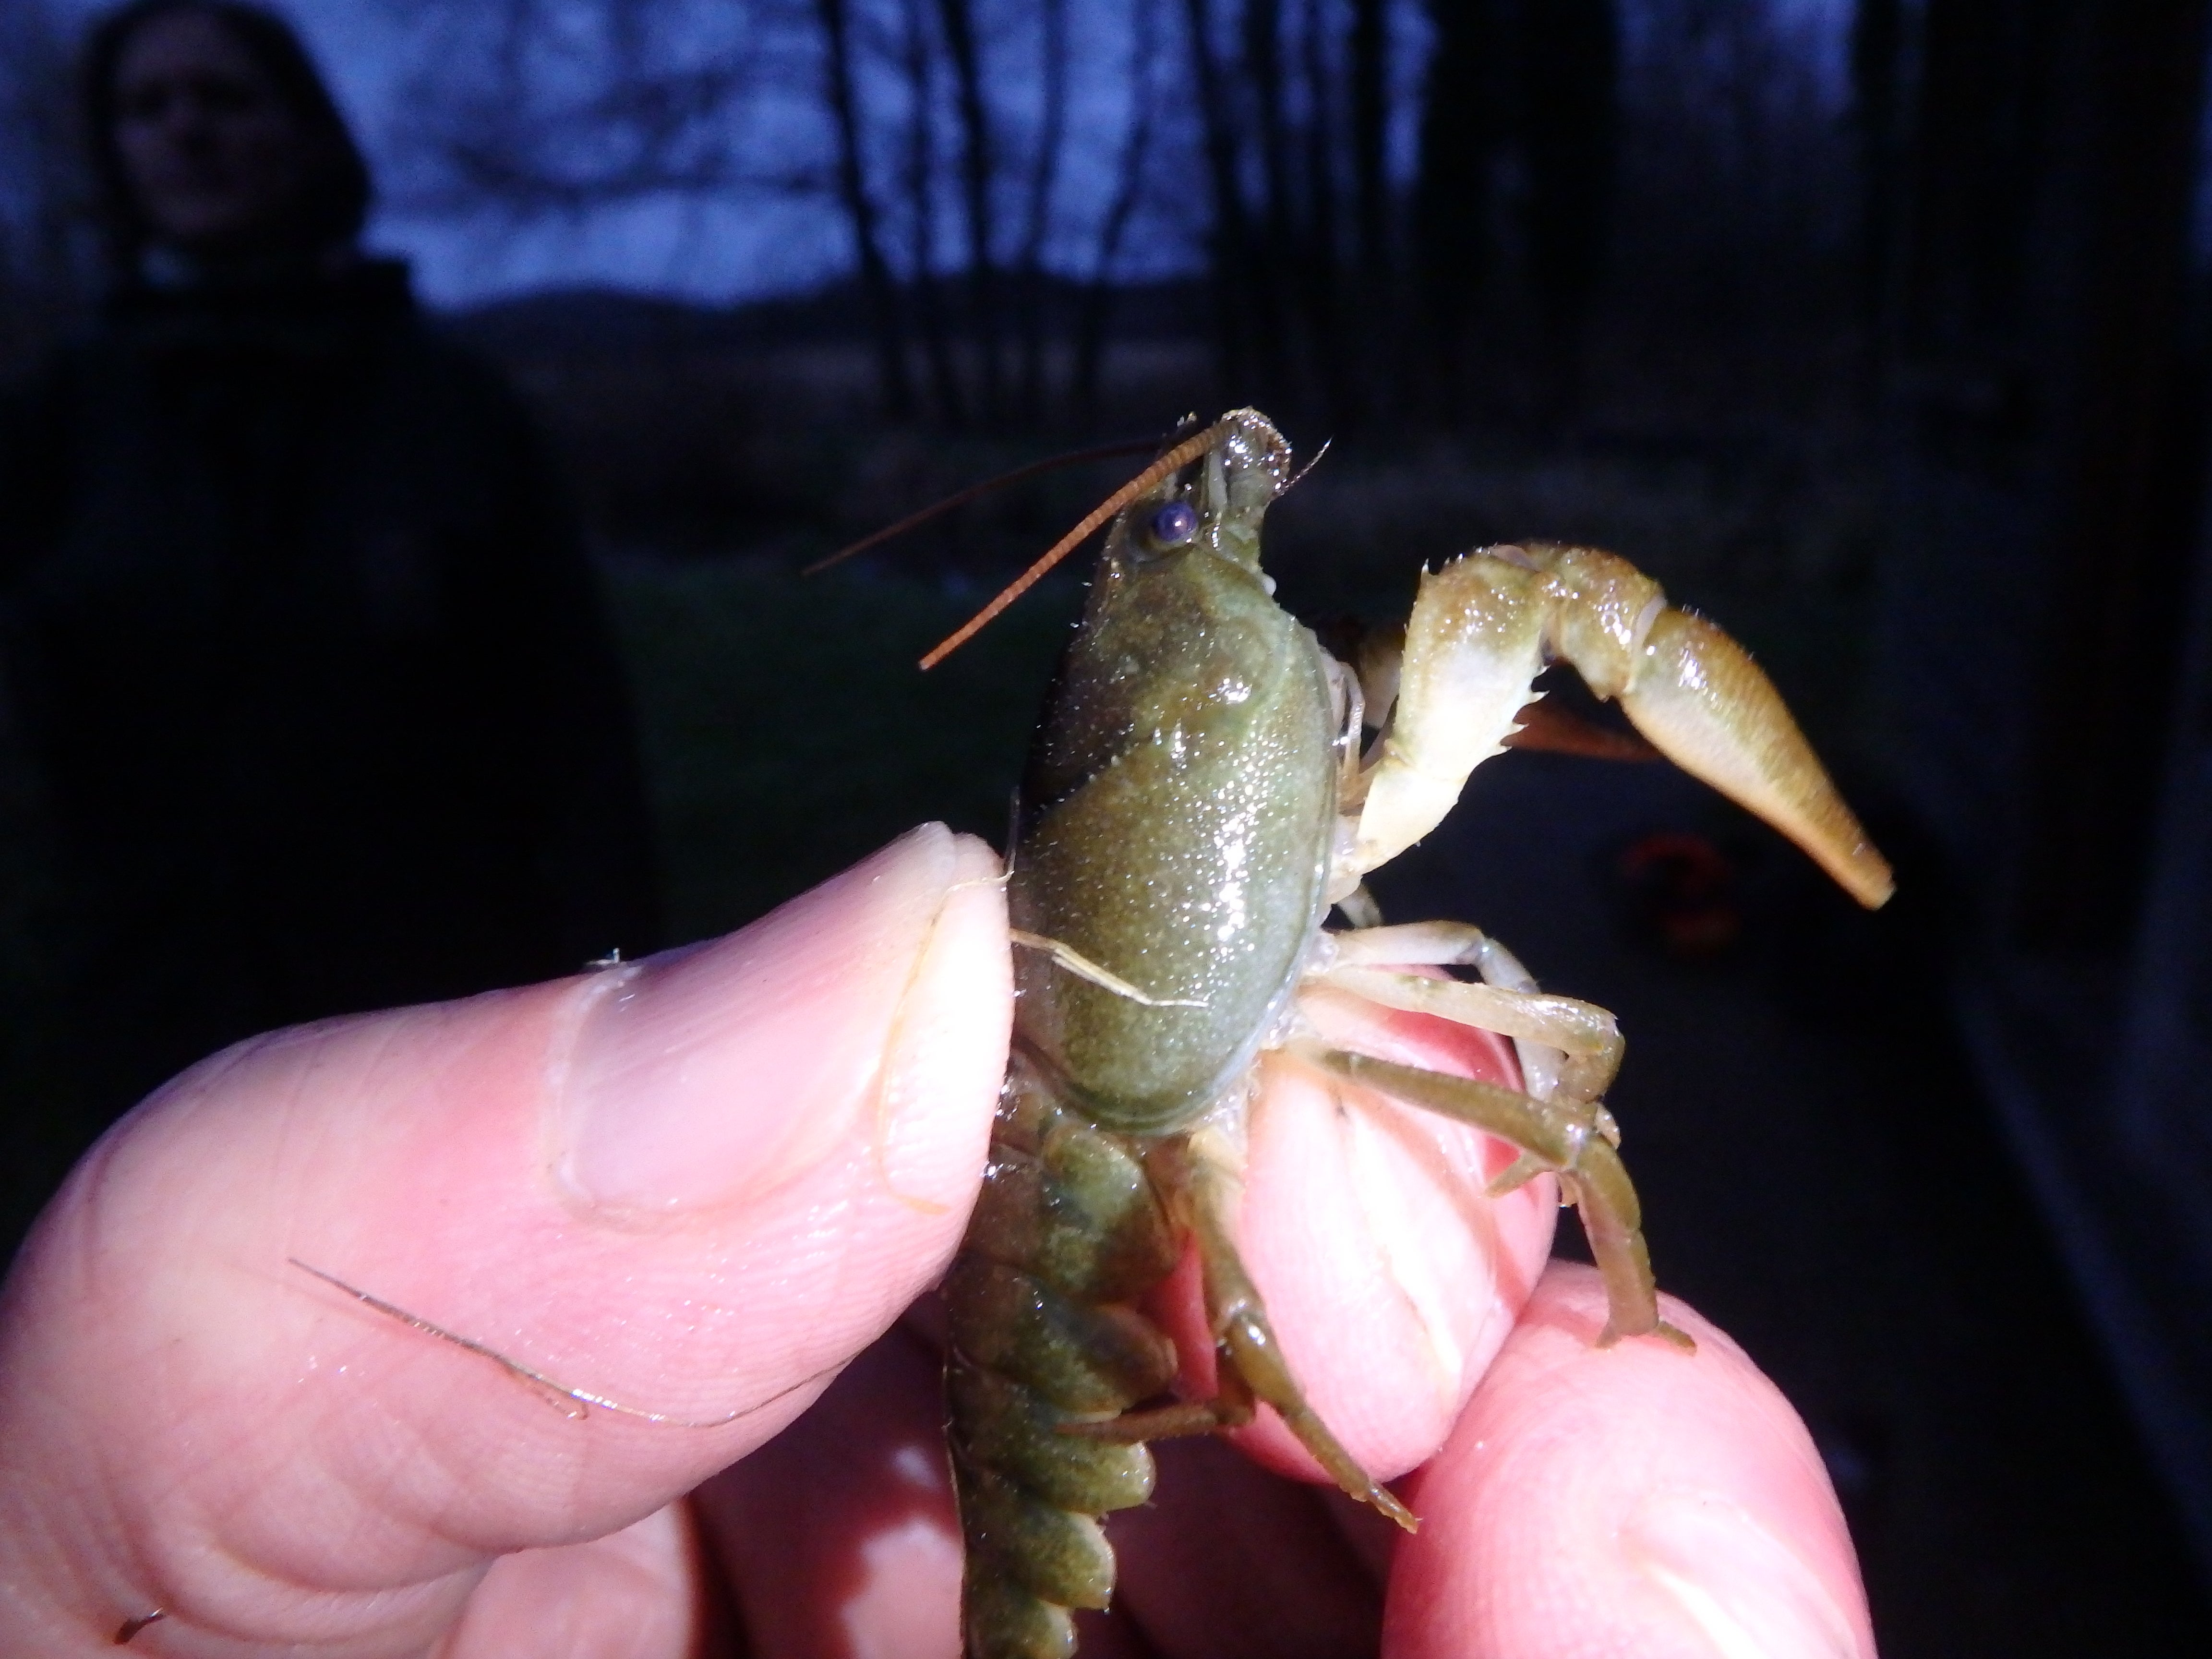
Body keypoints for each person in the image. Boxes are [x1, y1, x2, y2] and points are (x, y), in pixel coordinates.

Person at [0, 828, 1876, 1656]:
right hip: (1086, 1292)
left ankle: (1606, 1330)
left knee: (1551, 1082)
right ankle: (1602, 1333)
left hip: (1129, 1207)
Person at [0, 0, 659, 1235]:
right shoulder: (59, 422)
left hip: (427, 1017)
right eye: (148, 108)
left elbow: (577, 736)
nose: (185, 132)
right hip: (152, 1026)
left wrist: (613, 996)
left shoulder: (451, 406)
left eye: (224, 98)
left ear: (305, 132)